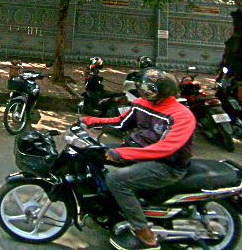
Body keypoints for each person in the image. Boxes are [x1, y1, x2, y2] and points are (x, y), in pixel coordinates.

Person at [81, 68, 196, 250]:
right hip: (139, 152)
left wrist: (123, 153)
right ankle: (105, 208)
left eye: (148, 88)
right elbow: (121, 122)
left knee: (116, 180)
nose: (143, 90)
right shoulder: (142, 104)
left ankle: (145, 235)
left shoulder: (181, 115)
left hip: (167, 165)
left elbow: (166, 149)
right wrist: (91, 121)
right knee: (91, 154)